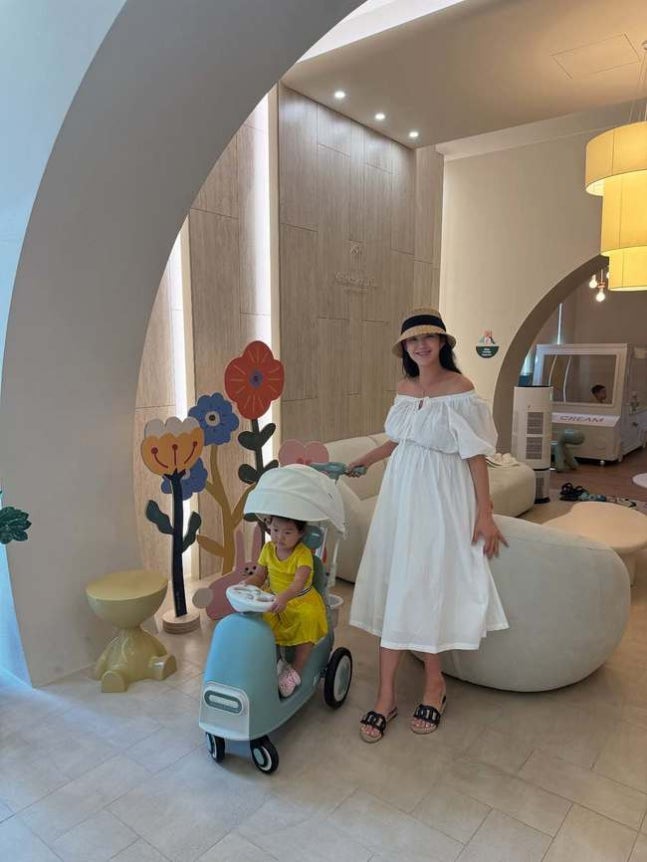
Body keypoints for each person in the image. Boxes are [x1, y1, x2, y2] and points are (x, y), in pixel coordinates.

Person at [347, 307, 508, 742]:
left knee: (428, 584)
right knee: (399, 583)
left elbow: (475, 455)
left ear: (441, 343)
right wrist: (365, 460)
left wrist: (485, 512)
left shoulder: (461, 389)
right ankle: (385, 696)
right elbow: (398, 440)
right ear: (405, 348)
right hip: (401, 497)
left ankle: (434, 686)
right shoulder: (405, 388)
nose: (421, 345)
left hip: (442, 497)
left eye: (428, 337)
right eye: (413, 340)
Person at [240, 515, 328, 696]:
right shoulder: (268, 549)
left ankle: (295, 671)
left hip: (300, 600)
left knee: (307, 619)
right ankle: (276, 661)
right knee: (260, 618)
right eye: (275, 530)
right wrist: (245, 584)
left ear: (300, 533)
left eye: (287, 532)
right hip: (275, 597)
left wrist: (284, 598)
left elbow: (297, 584)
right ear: (269, 528)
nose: (280, 537)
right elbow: (259, 576)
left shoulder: (303, 554)